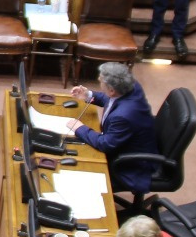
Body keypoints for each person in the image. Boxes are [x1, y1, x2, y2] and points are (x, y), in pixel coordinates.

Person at [68, 63, 160, 196]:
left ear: (111, 90)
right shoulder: (131, 86)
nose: (98, 81)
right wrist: (88, 94)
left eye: (100, 82)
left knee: (79, 165)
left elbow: (105, 144)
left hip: (132, 163)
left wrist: (79, 128)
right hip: (135, 142)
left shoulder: (123, 116)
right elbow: (111, 100)